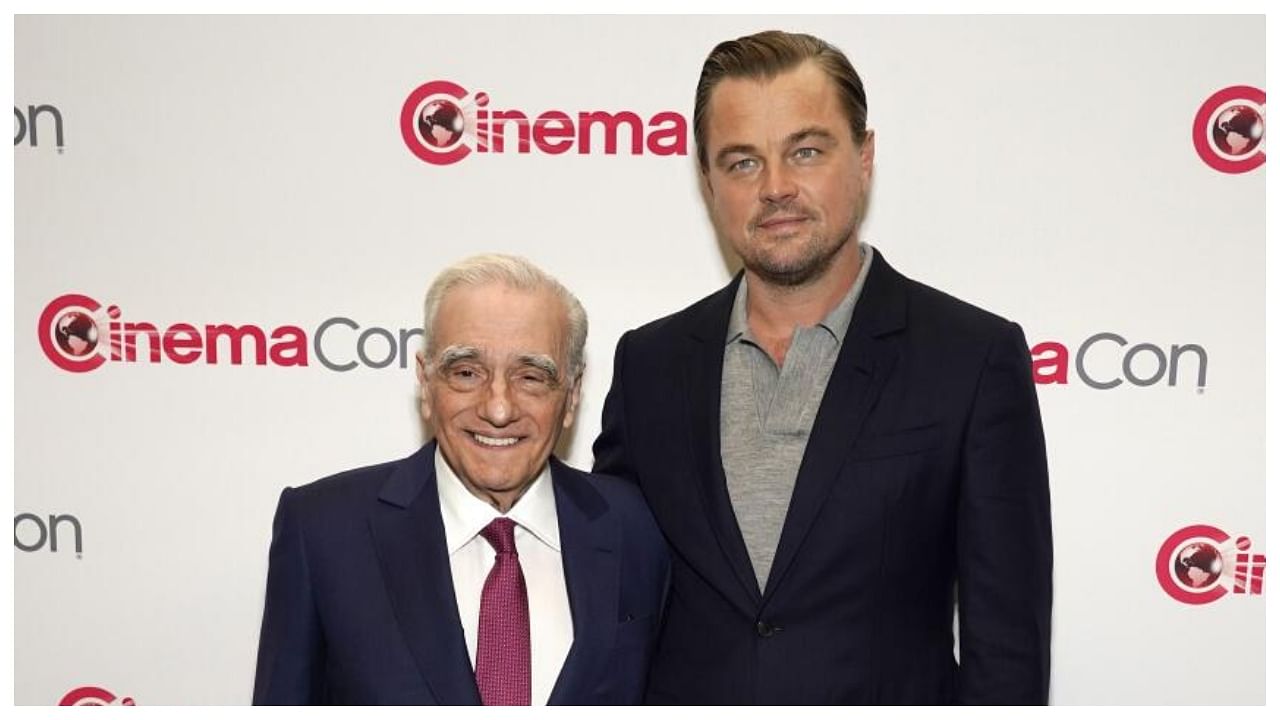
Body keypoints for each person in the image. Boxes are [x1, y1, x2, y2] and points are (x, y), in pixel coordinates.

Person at [593, 30, 1052, 704]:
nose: (776, 187)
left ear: (864, 158)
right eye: (743, 162)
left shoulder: (971, 359)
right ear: (708, 182)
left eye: (805, 152)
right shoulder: (648, 364)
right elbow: (617, 597)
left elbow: (1006, 647)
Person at [254, 254, 669, 705]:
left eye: (531, 377)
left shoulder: (637, 527)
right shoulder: (324, 532)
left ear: (571, 397)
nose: (498, 408)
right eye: (467, 373)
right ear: (426, 381)